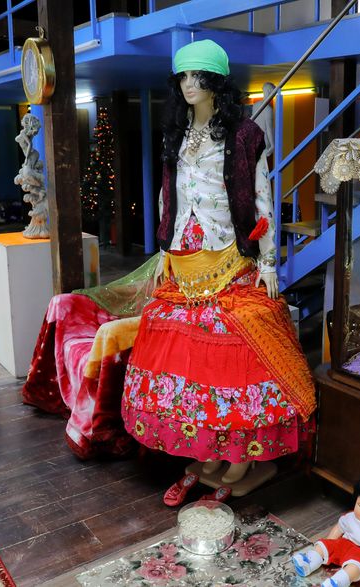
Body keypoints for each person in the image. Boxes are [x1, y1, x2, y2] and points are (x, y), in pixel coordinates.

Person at [121, 39, 315, 505]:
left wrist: (269, 261)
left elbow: (263, 198)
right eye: (183, 77)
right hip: (185, 255)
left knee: (233, 346)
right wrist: (166, 245)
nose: (189, 85)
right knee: (179, 343)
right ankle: (206, 449)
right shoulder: (177, 133)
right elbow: (169, 194)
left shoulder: (245, 135)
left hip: (229, 250)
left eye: (198, 77)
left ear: (215, 83)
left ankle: (240, 457)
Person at [292, 474, 360, 587]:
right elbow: (338, 528)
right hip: (343, 545)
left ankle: (339, 581)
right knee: (322, 545)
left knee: (356, 567)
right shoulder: (350, 516)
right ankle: (309, 562)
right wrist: (329, 544)